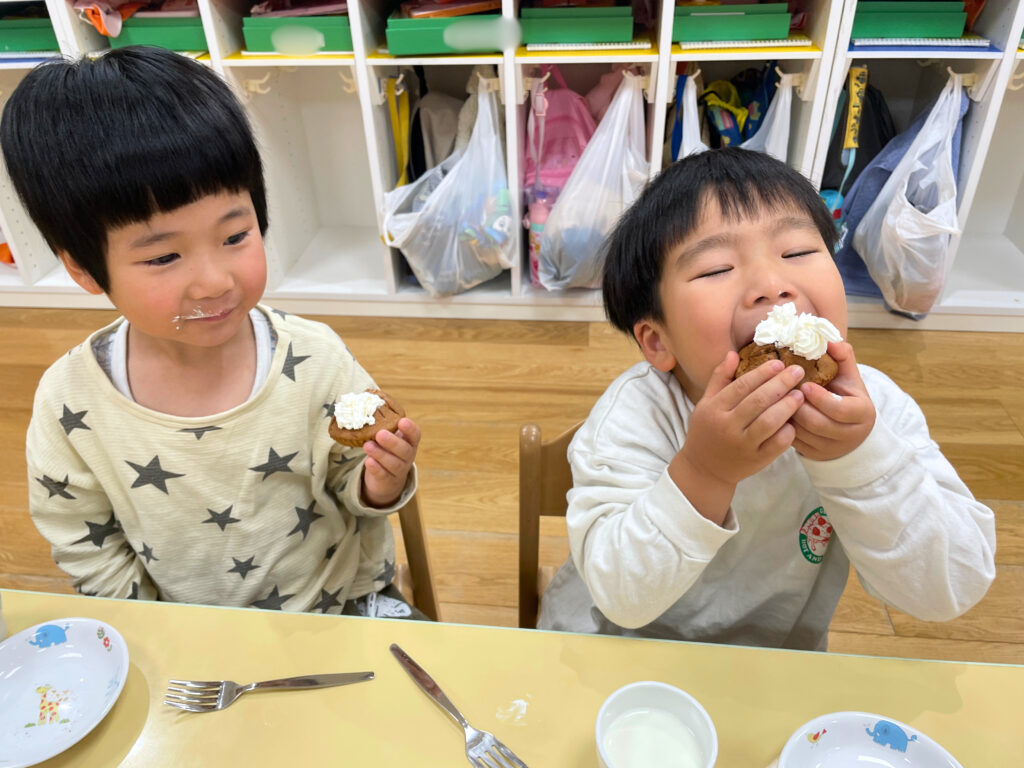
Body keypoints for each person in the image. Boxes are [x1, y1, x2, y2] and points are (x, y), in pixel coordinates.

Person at [1, 47, 425, 619]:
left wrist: (381, 480)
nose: (213, 282)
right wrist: (167, 635)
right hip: (187, 633)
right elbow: (84, 542)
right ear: (81, 266)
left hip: (345, 604)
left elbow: (357, 484)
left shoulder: (316, 357)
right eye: (163, 256)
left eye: (234, 236)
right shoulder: (70, 405)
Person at [537, 147, 996, 649]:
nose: (771, 286)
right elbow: (620, 596)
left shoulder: (877, 408)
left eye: (797, 252)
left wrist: (859, 460)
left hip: (775, 663)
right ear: (657, 341)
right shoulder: (635, 417)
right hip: (620, 651)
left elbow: (952, 587)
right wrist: (705, 472)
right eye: (715, 268)